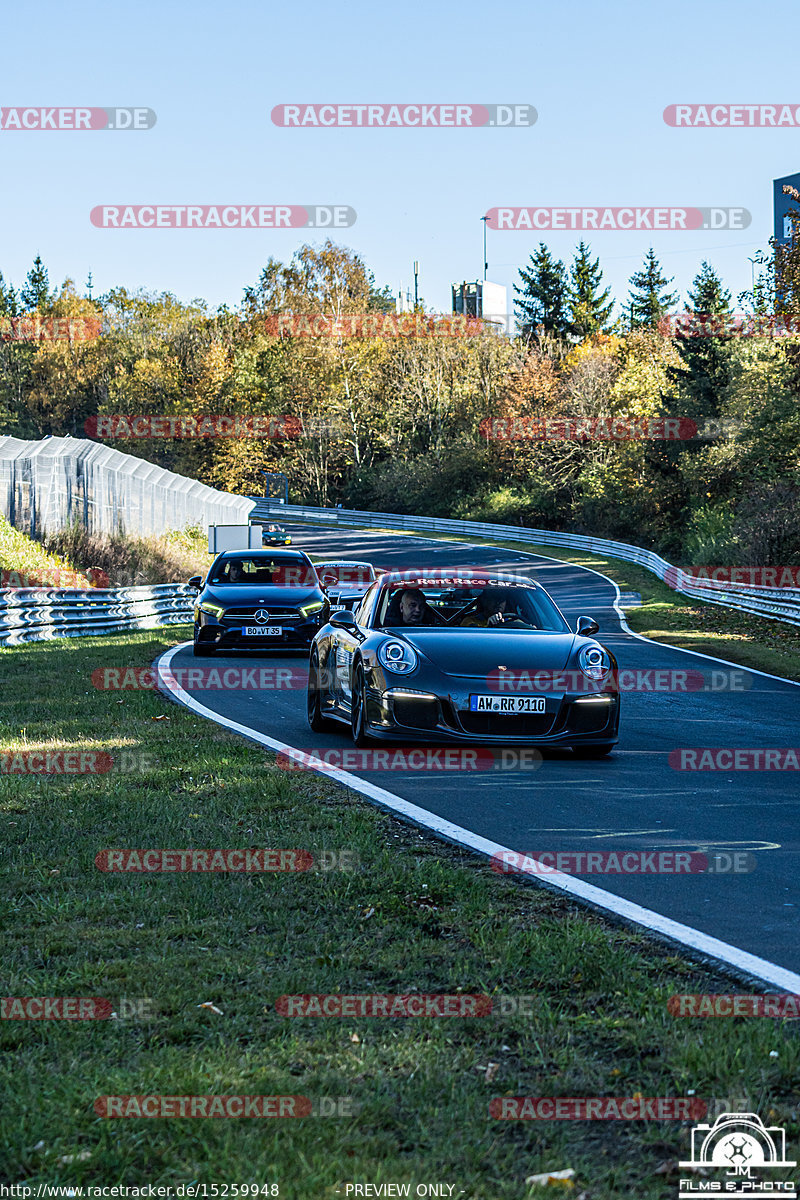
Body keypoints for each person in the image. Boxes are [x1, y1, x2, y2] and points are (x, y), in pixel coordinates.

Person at [458, 587, 528, 628]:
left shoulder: (515, 622)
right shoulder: (470, 621)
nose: (498, 603)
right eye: (494, 598)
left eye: (502, 599)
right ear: (484, 601)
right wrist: (489, 627)